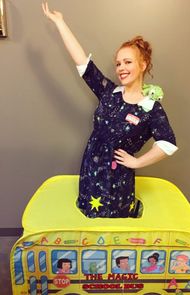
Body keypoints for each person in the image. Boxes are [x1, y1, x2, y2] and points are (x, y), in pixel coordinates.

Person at [42, 2, 178, 218]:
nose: (121, 68)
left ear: (143, 65)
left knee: (115, 224)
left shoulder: (151, 108)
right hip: (91, 168)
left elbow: (168, 143)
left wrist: (137, 162)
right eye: (117, 64)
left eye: (127, 62)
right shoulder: (109, 91)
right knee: (88, 219)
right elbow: (82, 63)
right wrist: (60, 22)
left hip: (118, 180)